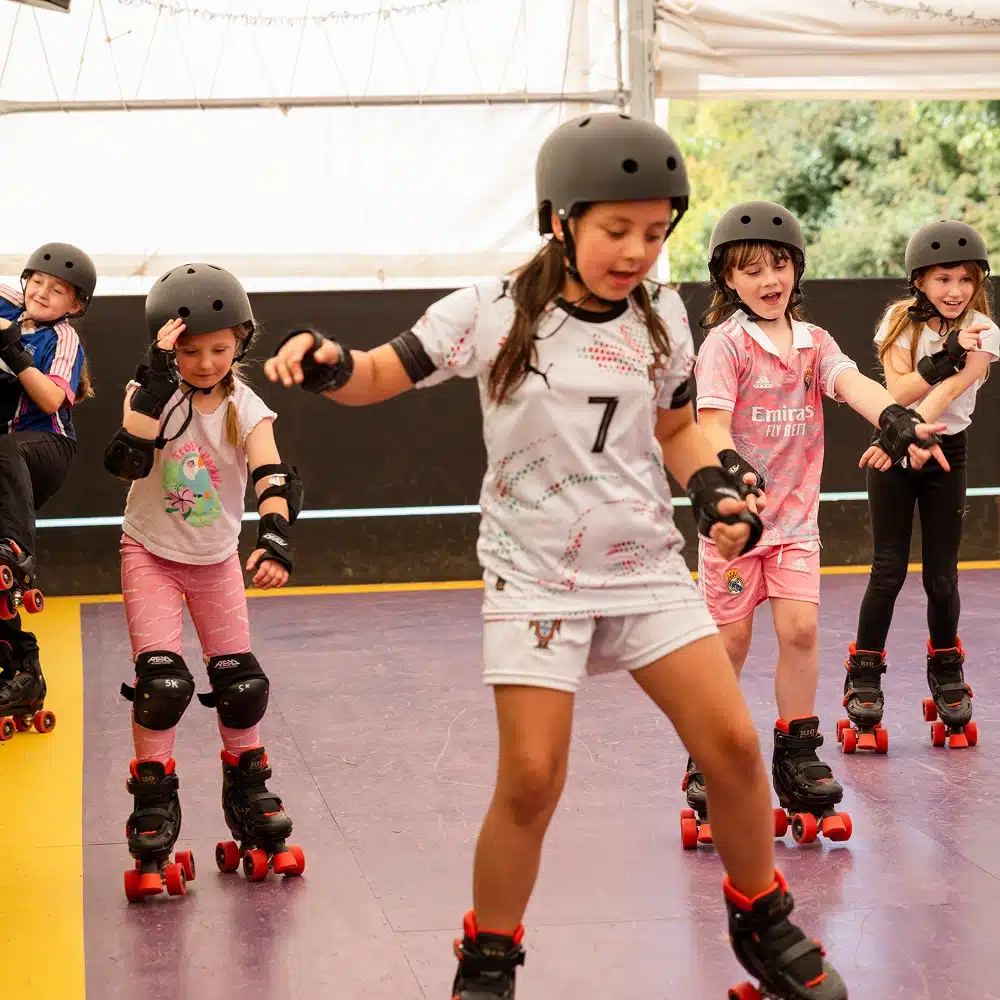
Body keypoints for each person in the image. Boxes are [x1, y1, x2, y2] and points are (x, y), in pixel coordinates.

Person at [266, 115, 851, 1000]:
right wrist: (327, 362)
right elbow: (382, 372)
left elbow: (676, 429)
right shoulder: (492, 311)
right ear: (560, 219)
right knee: (532, 779)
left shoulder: (661, 315)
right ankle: (488, 959)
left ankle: (761, 916)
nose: (637, 252)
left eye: (655, 233)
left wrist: (715, 492)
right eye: (616, 230)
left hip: (646, 567)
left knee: (732, 746)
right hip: (535, 574)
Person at [688, 201, 949, 844]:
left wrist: (899, 421)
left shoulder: (814, 342)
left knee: (801, 630)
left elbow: (854, 384)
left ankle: (798, 754)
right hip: (735, 522)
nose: (768, 279)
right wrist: (728, 465)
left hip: (795, 520)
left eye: (779, 264)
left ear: (796, 269)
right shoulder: (726, 345)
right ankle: (708, 756)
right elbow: (712, 421)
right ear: (728, 280)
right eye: (750, 270)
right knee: (731, 645)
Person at [103, 263, 306, 900]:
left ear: (241, 341)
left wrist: (273, 538)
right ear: (167, 346)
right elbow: (126, 460)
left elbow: (273, 474)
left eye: (220, 349)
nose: (207, 362)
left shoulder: (246, 405)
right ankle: (154, 807)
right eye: (190, 351)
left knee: (240, 683)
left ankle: (250, 795)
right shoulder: (150, 393)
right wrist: (156, 384)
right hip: (152, 554)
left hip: (216, 558)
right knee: (162, 685)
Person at [840, 220, 997, 752]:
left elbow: (958, 385)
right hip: (893, 448)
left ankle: (947, 671)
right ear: (920, 283)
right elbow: (898, 387)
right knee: (886, 570)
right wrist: (898, 433)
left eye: (965, 280)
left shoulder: (984, 328)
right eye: (943, 279)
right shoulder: (898, 324)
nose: (955, 291)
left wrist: (898, 435)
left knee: (942, 577)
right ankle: (864, 675)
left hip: (944, 455)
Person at [0, 243, 96, 738]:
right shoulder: (7, 305)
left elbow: (53, 396)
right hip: (4, 469)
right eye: (36, 281)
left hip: (45, 451)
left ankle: (16, 553)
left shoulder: (62, 336)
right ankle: (23, 674)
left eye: (57, 290)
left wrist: (10, 349)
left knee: (4, 446)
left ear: (74, 304)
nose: (42, 292)